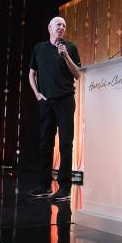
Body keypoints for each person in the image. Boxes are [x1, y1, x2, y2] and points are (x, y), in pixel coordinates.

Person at [28, 17, 81, 201]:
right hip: (47, 101)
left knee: (66, 144)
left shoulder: (70, 48)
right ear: (49, 27)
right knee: (45, 144)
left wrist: (65, 55)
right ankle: (44, 185)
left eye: (64, 25)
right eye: (58, 24)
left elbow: (77, 74)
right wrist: (36, 93)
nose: (62, 27)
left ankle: (64, 188)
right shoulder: (39, 48)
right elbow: (31, 72)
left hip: (65, 100)